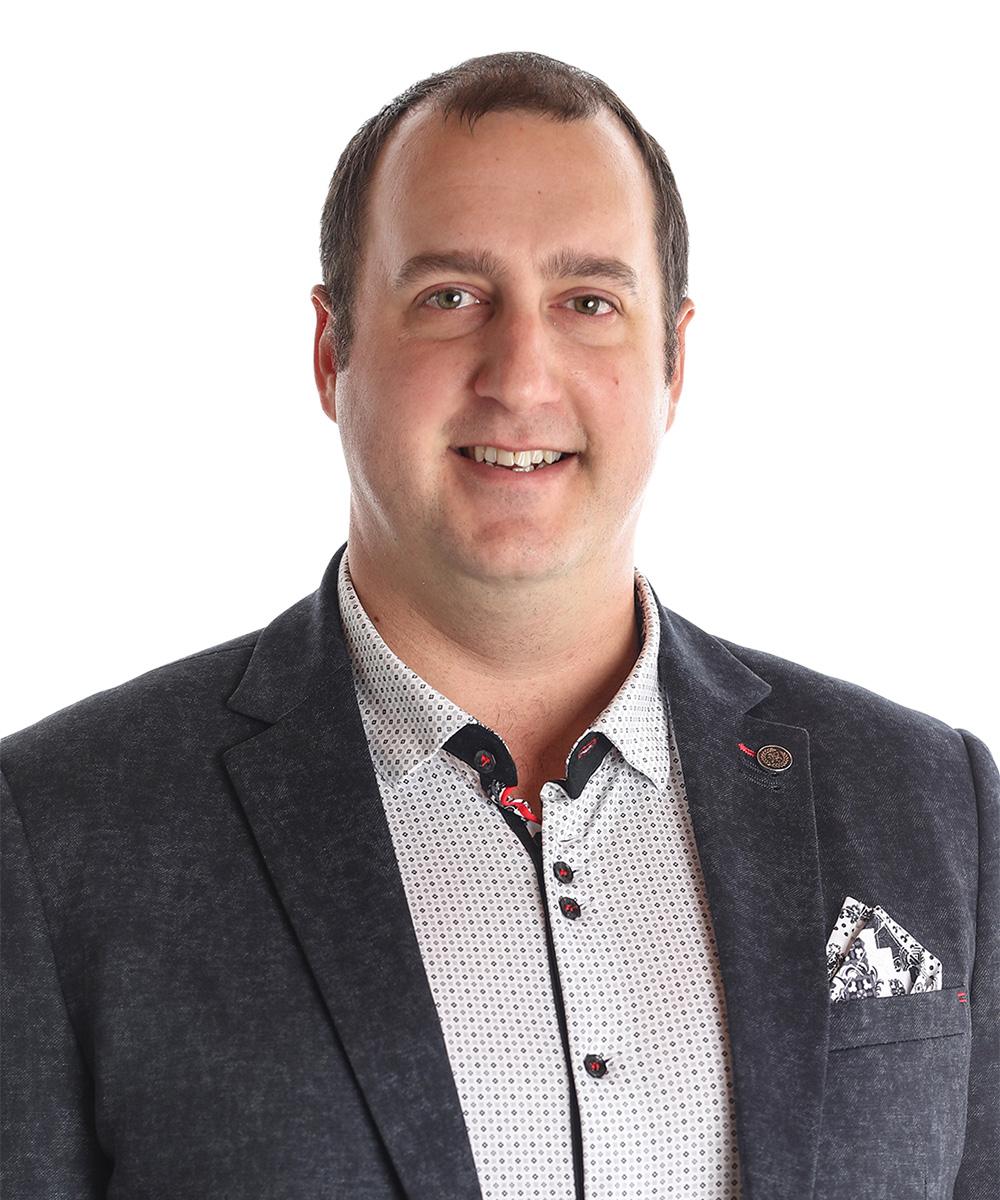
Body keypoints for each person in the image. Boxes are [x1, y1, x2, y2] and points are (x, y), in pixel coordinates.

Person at [1, 49, 996, 1200]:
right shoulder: (61, 838)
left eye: (588, 302)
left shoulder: (933, 807)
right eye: (450, 298)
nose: (520, 377)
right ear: (330, 353)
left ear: (674, 362)